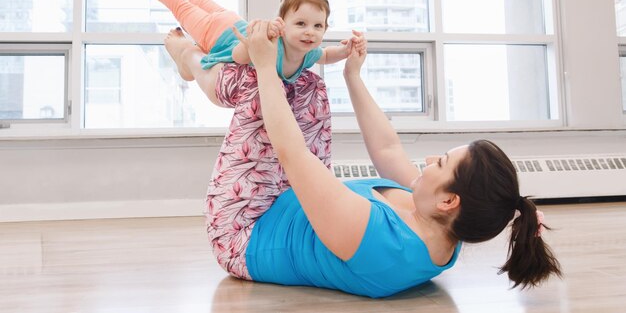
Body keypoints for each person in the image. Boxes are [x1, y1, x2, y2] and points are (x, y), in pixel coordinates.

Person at [194, 20, 561, 298]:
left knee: (259, 88)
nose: (431, 159)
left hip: (245, 230)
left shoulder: (381, 242)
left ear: (450, 200)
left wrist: (262, 65)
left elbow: (292, 154)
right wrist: (352, 74)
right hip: (284, 203)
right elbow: (387, 149)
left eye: (442, 162)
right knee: (309, 88)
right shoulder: (443, 221)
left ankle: (191, 60)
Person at [119, 0, 361, 96]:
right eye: (301, 24)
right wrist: (254, 47)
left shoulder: (308, 53)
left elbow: (327, 55)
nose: (310, 32)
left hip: (232, 20)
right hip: (217, 34)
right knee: (182, 7)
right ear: (282, 25)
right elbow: (237, 55)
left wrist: (347, 50)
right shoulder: (272, 44)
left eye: (318, 26)